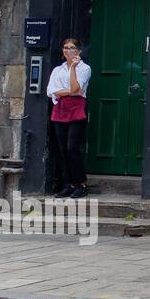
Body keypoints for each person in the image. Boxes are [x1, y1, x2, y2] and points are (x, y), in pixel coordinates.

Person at [47, 36, 92, 199]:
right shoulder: (57, 70)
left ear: (79, 51)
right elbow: (51, 91)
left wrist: (73, 67)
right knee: (62, 149)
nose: (68, 51)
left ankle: (81, 184)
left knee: (72, 148)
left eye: (72, 48)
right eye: (65, 48)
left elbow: (76, 89)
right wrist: (69, 91)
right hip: (59, 109)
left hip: (76, 108)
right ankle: (68, 184)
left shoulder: (84, 68)